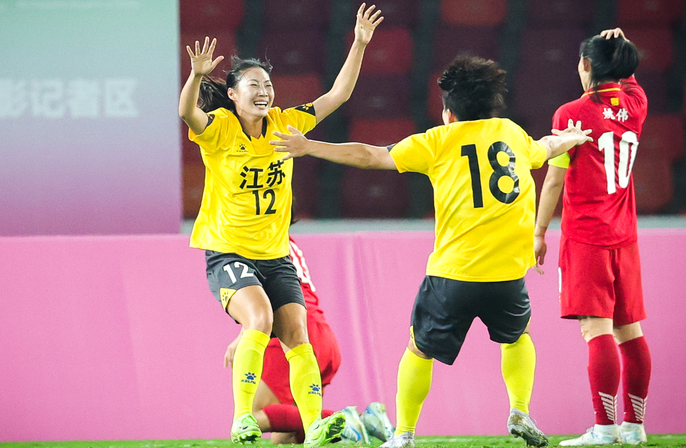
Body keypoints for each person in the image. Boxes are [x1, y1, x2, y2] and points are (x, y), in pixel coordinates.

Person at [270, 55, 593, 448]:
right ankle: (520, 410)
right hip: (508, 272)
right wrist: (572, 138)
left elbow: (371, 155)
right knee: (518, 337)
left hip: (453, 274)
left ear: (449, 113)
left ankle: (403, 434)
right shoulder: (511, 133)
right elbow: (545, 146)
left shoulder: (437, 141)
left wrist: (308, 146)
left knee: (418, 350)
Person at [178, 3, 383, 446]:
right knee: (259, 318)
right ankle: (242, 418)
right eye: (253, 84)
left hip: (275, 256)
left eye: (268, 84)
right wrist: (195, 76)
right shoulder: (220, 129)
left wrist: (359, 44)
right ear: (233, 94)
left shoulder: (286, 124)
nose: (264, 91)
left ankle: (315, 425)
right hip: (229, 252)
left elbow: (338, 95)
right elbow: (188, 113)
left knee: (297, 336)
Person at [534, 28, 651, 446]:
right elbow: (629, 79)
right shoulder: (636, 104)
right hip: (625, 236)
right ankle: (634, 427)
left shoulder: (571, 114)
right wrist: (621, 45)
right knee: (629, 331)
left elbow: (554, 180)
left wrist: (539, 231)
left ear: (585, 65)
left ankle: (604, 428)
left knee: (596, 330)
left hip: (586, 236)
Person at [224, 236, 395, 445]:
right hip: (321, 334)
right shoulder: (284, 239)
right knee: (284, 437)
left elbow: (261, 293)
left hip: (291, 330)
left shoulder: (264, 236)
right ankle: (365, 421)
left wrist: (243, 334)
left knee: (253, 415)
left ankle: (349, 419)